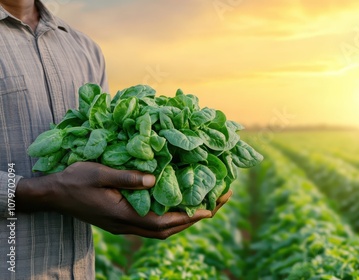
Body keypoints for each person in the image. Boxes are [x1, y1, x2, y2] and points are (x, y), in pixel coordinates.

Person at [0, 0, 232, 278]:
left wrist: (134, 191)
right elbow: (62, 187)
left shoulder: (83, 48)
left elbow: (101, 153)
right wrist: (39, 192)